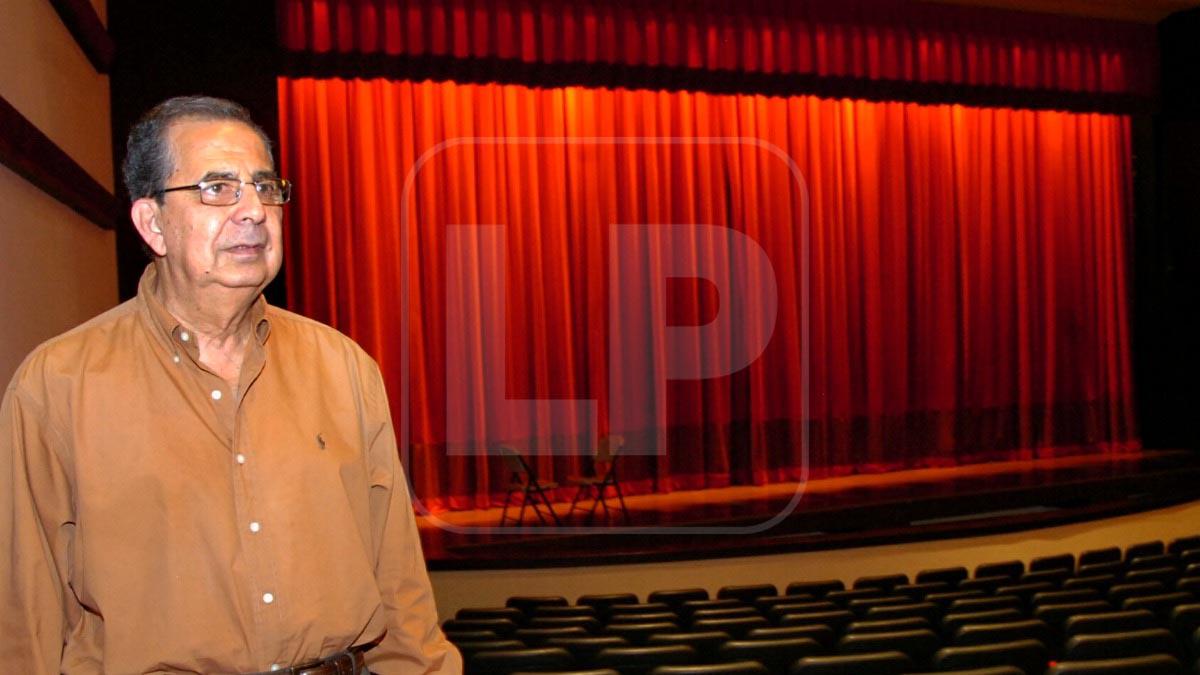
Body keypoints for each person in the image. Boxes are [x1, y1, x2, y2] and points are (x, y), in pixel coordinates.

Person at [0, 96, 461, 674]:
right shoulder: (57, 386)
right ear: (153, 224)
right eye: (217, 188)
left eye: (266, 188)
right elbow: (27, 622)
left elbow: (401, 592)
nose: (253, 211)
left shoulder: (344, 367)